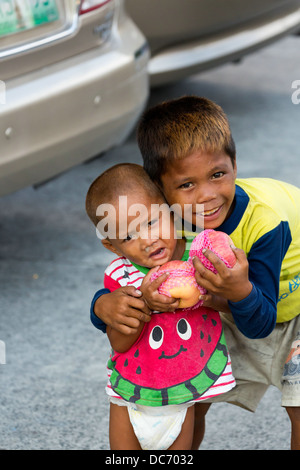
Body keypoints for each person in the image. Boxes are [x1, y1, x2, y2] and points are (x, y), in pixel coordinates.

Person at [91, 96, 300, 450]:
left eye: (218, 174)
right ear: (161, 190)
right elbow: (132, 276)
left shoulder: (265, 224)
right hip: (230, 300)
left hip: (284, 307)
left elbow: (261, 322)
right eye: (187, 184)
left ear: (235, 164)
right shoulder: (169, 220)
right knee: (194, 394)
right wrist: (101, 306)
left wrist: (233, 293)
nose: (206, 196)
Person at [86, 162, 235, 450]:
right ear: (112, 246)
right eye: (128, 237)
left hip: (184, 391)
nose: (147, 240)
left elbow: (233, 303)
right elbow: (119, 343)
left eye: (152, 221)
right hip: (127, 398)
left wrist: (208, 295)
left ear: (169, 210)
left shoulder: (202, 253)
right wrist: (143, 302)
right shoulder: (120, 276)